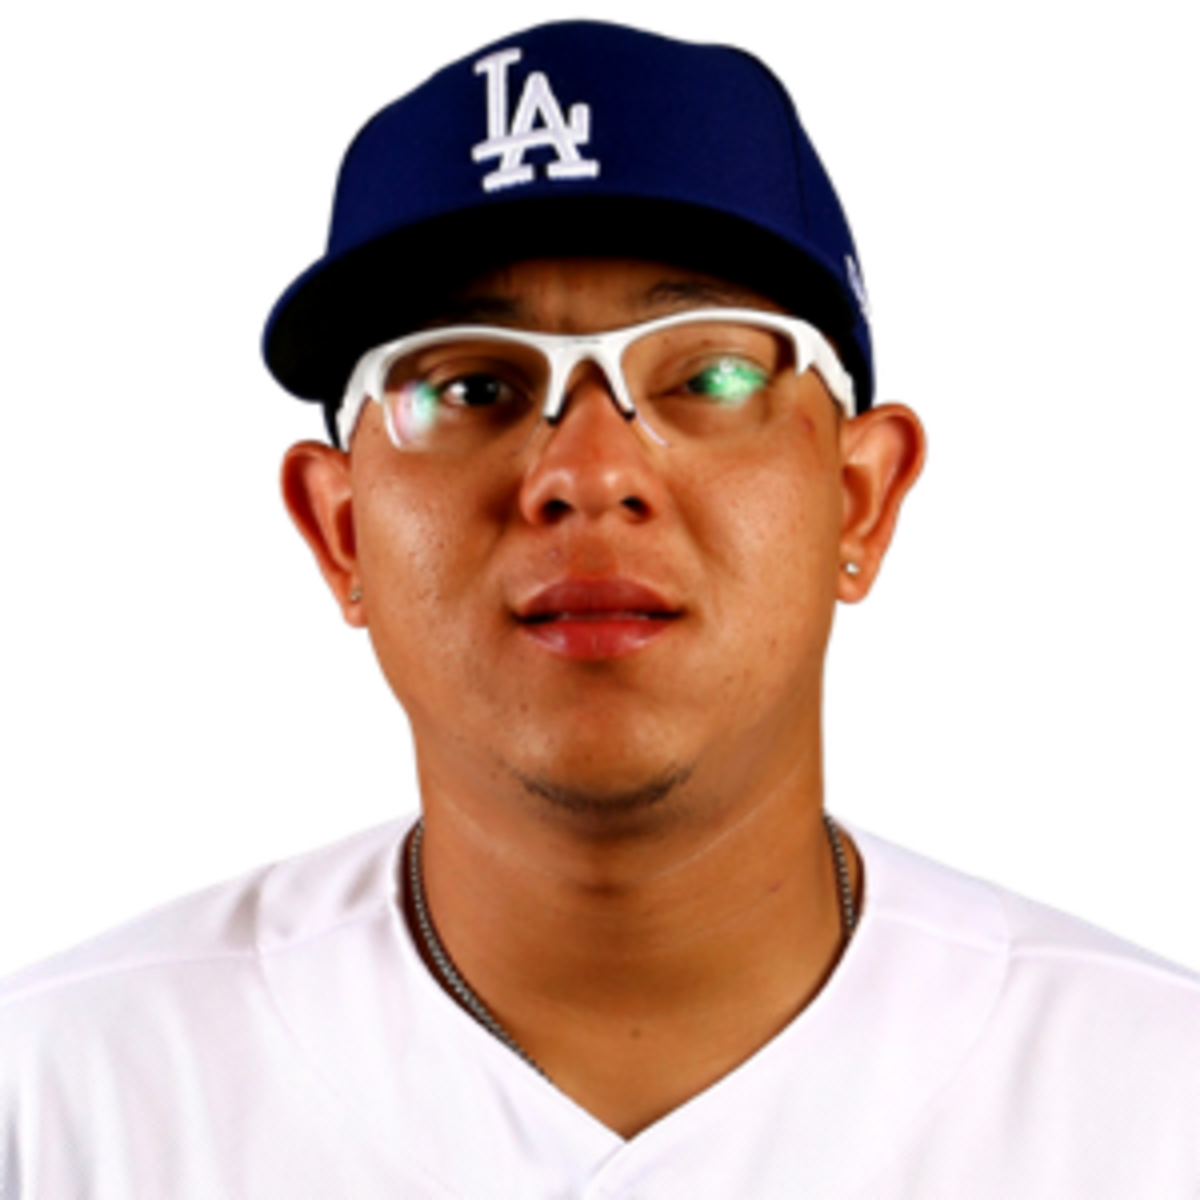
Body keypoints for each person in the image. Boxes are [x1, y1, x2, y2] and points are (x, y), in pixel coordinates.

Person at [3, 17, 1196, 1199]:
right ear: (339, 529)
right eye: (472, 384)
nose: (587, 473)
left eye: (709, 373)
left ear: (860, 500)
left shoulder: (1152, 1096)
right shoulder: (63, 1091)